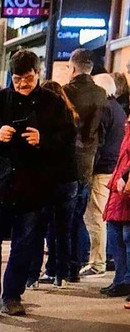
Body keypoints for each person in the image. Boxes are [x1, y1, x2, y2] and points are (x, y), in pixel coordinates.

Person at [0, 50, 75, 316]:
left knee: (26, 242)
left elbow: (68, 142)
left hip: (34, 186)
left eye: (27, 78)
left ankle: (13, 295)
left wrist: (44, 140)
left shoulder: (53, 102)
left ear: (37, 74)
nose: (23, 85)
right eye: (17, 79)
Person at [26, 81, 79, 290]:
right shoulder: (71, 117)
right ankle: (61, 274)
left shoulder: (44, 121)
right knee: (63, 230)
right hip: (69, 180)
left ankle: (33, 275)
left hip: (48, 181)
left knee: (39, 229)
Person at [62, 49, 107, 281]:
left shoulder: (65, 92)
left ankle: (62, 266)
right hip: (89, 164)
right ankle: (75, 267)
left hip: (67, 164)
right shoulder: (102, 94)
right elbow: (103, 132)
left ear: (73, 68)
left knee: (63, 218)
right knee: (80, 217)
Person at [81, 74, 126, 279]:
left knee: (95, 216)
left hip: (103, 169)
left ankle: (97, 262)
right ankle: (102, 259)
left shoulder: (105, 109)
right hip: (112, 168)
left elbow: (99, 141)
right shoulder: (118, 109)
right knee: (103, 217)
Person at [101, 116, 130, 300]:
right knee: (115, 233)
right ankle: (121, 280)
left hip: (125, 184)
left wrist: (126, 175)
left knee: (127, 237)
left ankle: (126, 281)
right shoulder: (126, 123)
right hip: (119, 183)